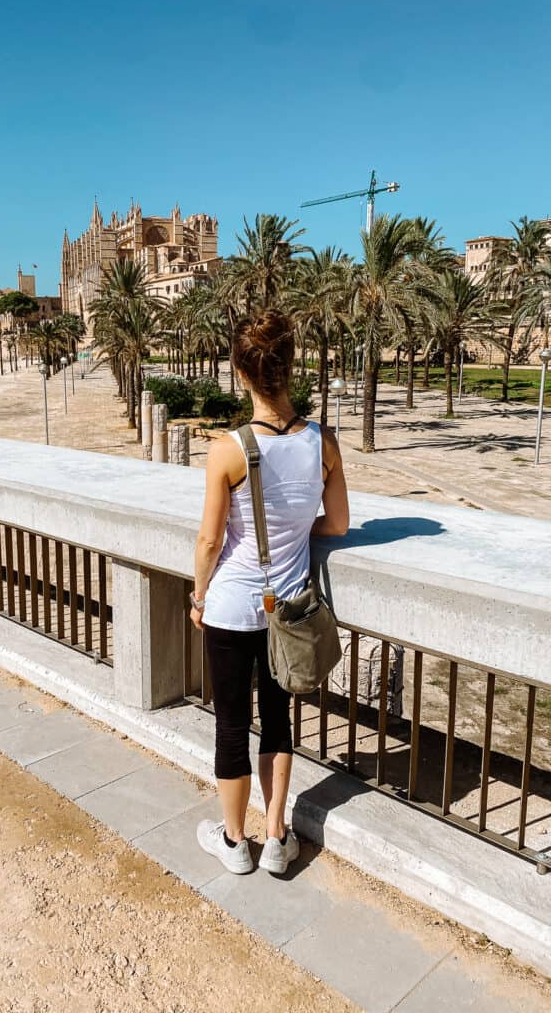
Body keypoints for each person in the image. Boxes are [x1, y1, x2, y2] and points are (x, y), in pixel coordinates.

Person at [189, 309, 349, 875]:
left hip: (232, 607)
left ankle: (235, 843)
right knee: (279, 721)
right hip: (290, 611)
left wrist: (197, 595)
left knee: (232, 723)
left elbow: (210, 540)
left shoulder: (228, 449)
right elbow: (336, 526)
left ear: (241, 372)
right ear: (290, 365)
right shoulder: (323, 444)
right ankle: (277, 837)